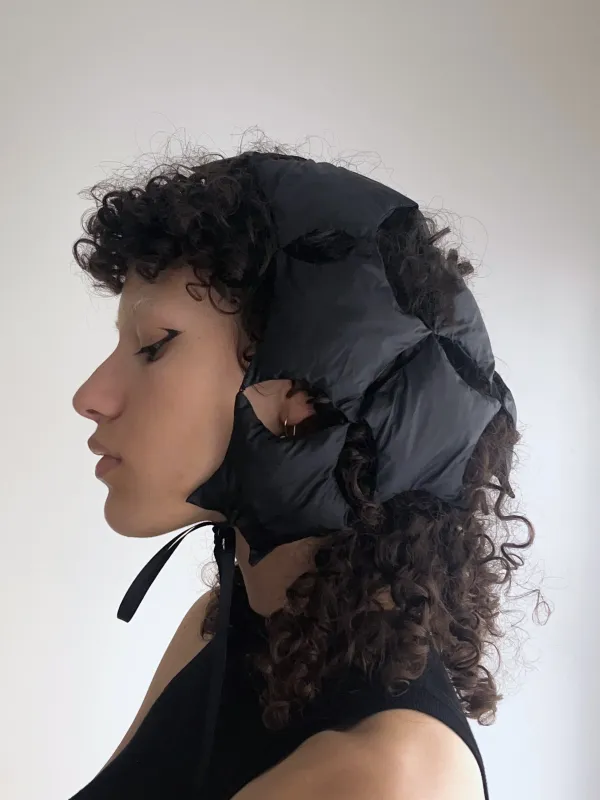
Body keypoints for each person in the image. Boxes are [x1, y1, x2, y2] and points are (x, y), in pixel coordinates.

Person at [69, 144, 541, 800]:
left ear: (302, 402)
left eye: (152, 347)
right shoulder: (224, 626)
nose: (90, 396)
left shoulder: (386, 778)